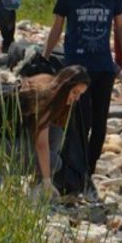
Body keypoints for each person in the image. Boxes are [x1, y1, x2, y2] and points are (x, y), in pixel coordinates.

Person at [43, 0, 122, 189]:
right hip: (77, 67)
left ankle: (88, 170)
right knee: (81, 121)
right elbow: (57, 27)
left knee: (100, 123)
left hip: (103, 66)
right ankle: (76, 167)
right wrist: (44, 56)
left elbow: (121, 26)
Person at [17, 65, 90, 199]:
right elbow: (41, 144)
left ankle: (38, 185)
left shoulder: (49, 81)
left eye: (80, 94)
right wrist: (47, 181)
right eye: (75, 92)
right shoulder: (46, 97)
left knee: (56, 133)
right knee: (54, 162)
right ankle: (42, 184)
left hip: (17, 135)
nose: (77, 98)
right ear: (65, 86)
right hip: (0, 139)